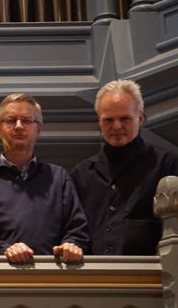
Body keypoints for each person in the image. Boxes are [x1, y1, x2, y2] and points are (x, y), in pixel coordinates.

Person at [0, 93, 89, 264]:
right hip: (0, 278)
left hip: (55, 279)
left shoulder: (59, 177)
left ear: (38, 129)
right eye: (11, 120)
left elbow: (77, 228)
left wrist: (71, 244)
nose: (18, 126)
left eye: (26, 120)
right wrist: (5, 250)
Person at [71, 79, 178, 255]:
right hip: (93, 277)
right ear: (99, 122)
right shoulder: (81, 174)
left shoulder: (167, 164)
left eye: (124, 118)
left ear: (140, 118)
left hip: (153, 277)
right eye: (108, 120)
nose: (117, 126)